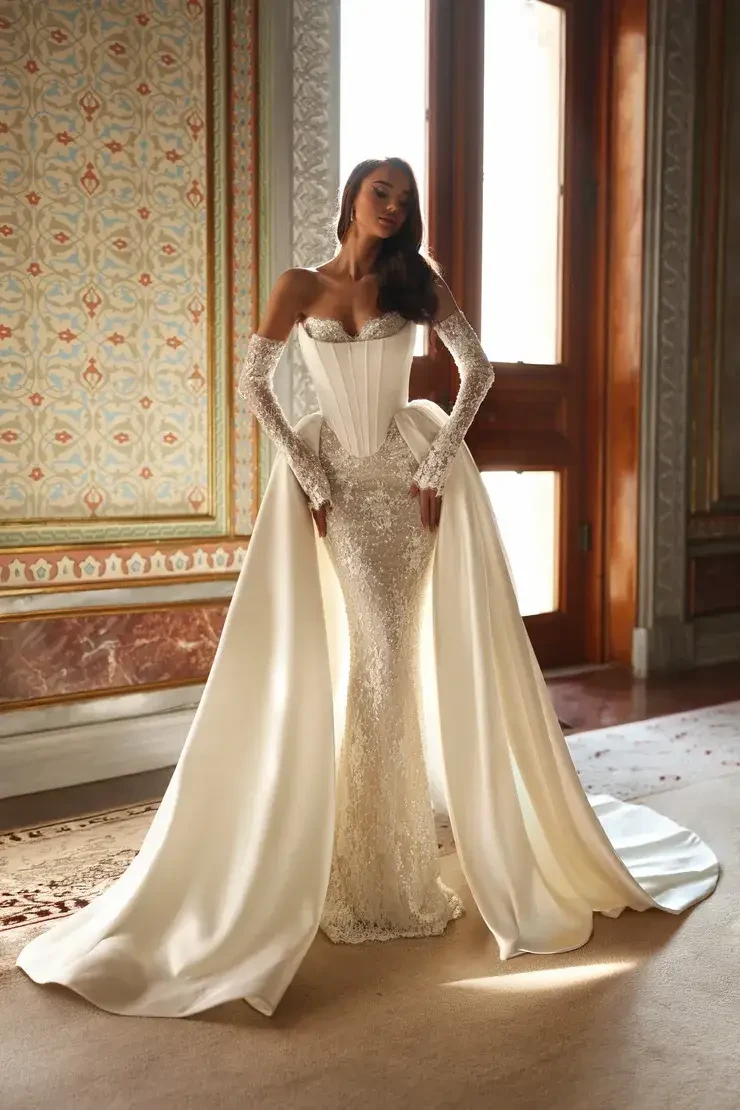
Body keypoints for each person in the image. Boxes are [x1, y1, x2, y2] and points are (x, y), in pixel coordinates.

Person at [16, 158, 719, 1019]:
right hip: (339, 489)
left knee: (388, 660)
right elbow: (254, 388)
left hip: (407, 484)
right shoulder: (299, 285)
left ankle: (389, 877)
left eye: (406, 198)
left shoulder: (414, 282)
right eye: (382, 192)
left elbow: (479, 369)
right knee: (372, 664)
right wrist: (309, 477)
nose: (394, 207)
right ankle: (361, 871)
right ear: (350, 194)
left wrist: (434, 459)